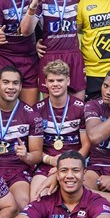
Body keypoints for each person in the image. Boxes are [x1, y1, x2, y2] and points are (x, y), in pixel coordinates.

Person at [0, 66, 43, 209]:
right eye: (6, 82)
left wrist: (27, 156)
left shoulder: (32, 115)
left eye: (15, 83)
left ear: (21, 86)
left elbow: (37, 154)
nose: (11, 87)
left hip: (17, 172)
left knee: (23, 205)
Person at [20, 0, 86, 99]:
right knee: (50, 107)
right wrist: (33, 6)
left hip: (74, 55)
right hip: (50, 55)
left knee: (78, 106)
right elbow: (25, 31)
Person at [31, 60, 91, 201]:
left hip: (75, 163)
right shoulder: (36, 110)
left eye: (60, 80)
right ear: (45, 83)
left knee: (79, 199)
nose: (55, 84)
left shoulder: (81, 108)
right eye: (51, 81)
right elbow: (34, 149)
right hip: (47, 164)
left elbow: (86, 145)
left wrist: (65, 165)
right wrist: (51, 160)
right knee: (36, 199)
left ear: (68, 81)